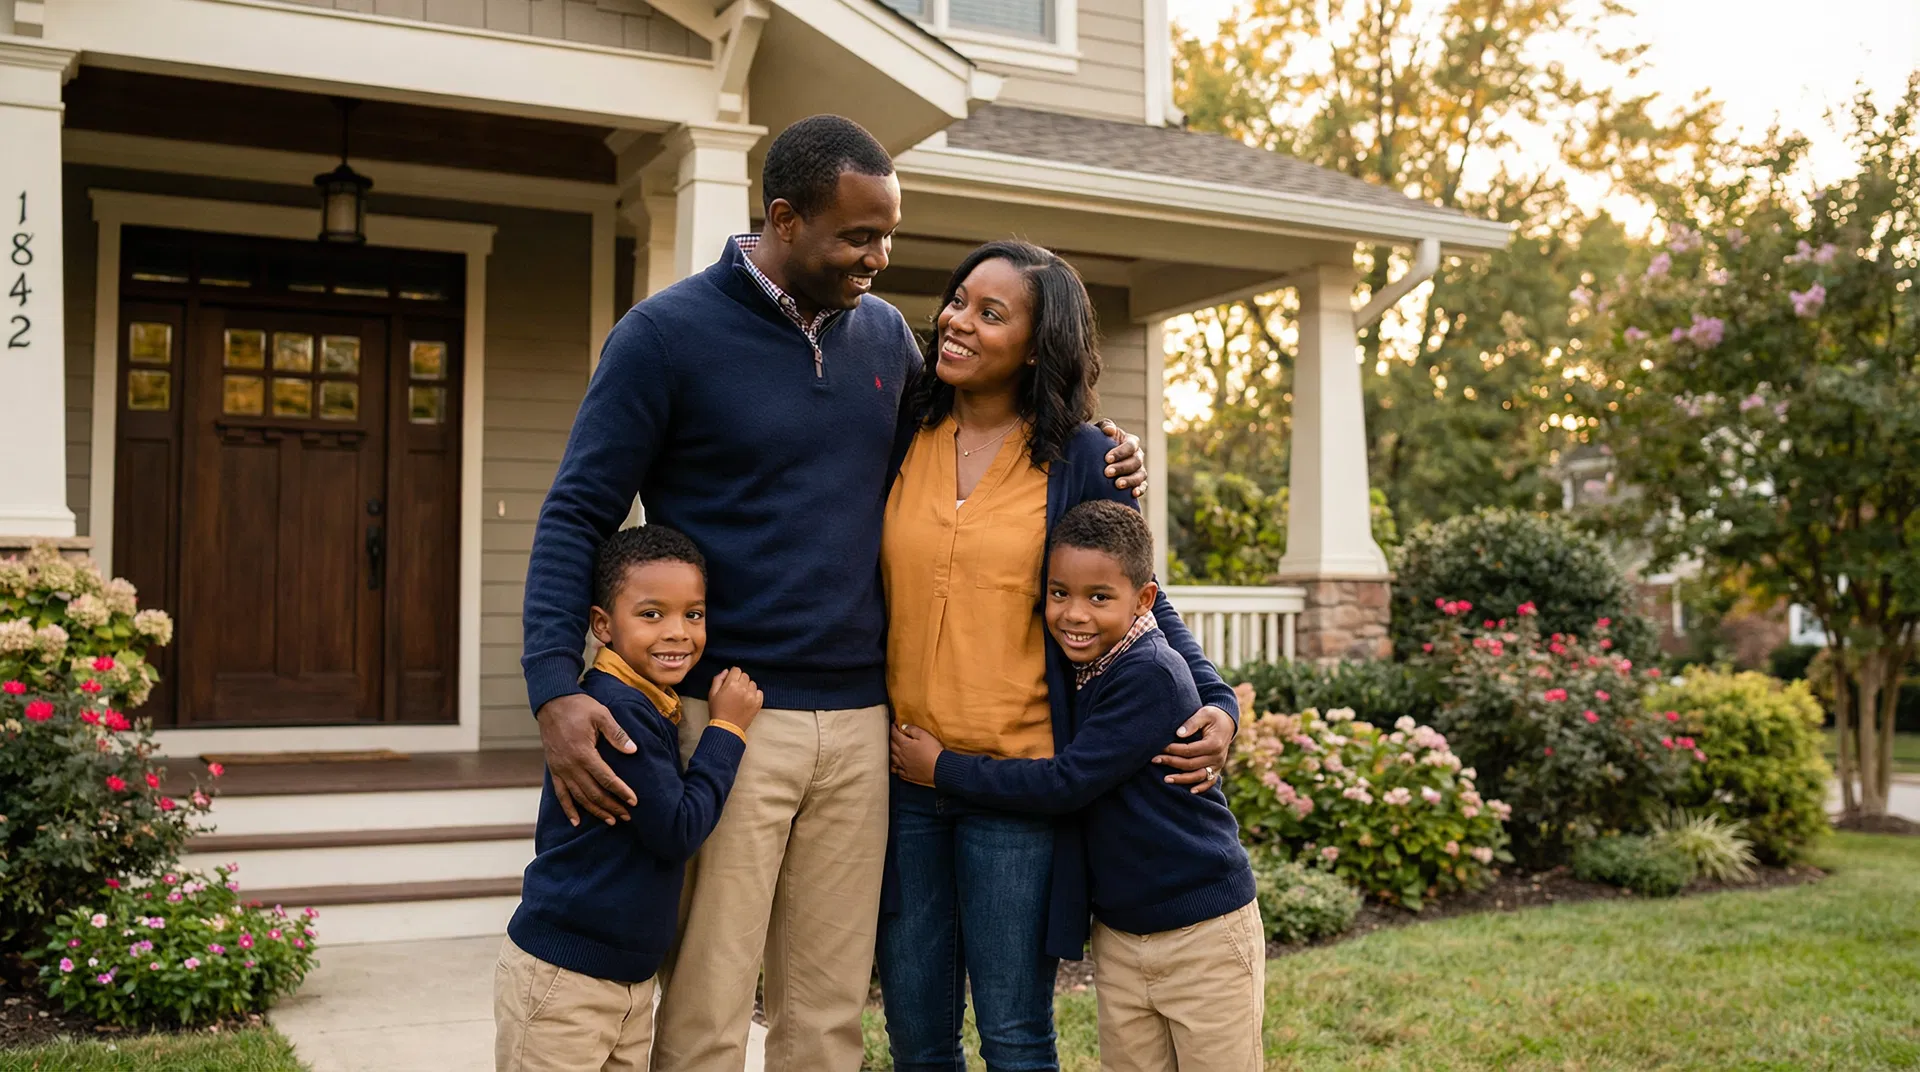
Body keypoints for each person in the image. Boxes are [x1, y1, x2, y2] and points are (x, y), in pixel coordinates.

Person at [519, 115, 1223, 1072]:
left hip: (867, 731)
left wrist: (1106, 453)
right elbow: (576, 514)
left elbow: (1028, 463)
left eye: (889, 235)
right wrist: (555, 687)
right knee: (711, 1005)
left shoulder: (885, 340)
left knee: (830, 1015)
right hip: (733, 715)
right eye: (858, 237)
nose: (881, 259)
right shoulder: (666, 336)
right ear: (785, 218)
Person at [877, 240, 1240, 1071]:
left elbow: (1142, 601)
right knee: (915, 1036)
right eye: (959, 300)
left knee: (1014, 1035)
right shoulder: (902, 428)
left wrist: (1218, 701)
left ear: (1039, 347)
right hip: (902, 780)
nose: (957, 322)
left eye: (990, 313)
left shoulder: (1084, 458)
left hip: (1020, 787)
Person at [892, 500, 1264, 1072]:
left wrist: (944, 768)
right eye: (1059, 593)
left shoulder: (1146, 673)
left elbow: (1065, 783)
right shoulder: (1090, 660)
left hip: (1203, 935)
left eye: (1098, 598)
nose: (1074, 615)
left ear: (1143, 600)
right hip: (1120, 937)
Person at [497, 526, 763, 1072]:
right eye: (651, 614)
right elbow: (677, 828)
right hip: (564, 981)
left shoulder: (648, 701)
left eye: (693, 614)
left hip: (626, 982)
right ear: (602, 626)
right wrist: (727, 731)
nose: (678, 633)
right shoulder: (613, 710)